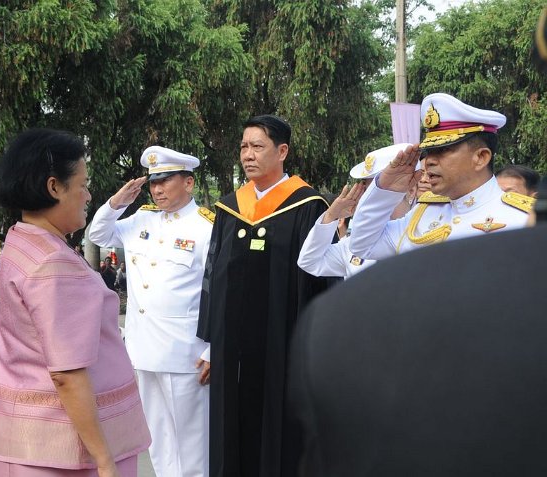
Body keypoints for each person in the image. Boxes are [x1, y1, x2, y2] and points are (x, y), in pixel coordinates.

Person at [289, 186, 547, 476]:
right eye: (364, 200)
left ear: (406, 196)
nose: (363, 206)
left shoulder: (423, 229)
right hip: (375, 361)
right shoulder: (363, 243)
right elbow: (310, 260)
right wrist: (337, 212)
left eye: (372, 198)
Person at [0, 128, 150, 477]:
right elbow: (68, 374)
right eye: (83, 185)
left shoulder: (21, 241)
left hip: (19, 443)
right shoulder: (54, 264)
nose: (88, 195)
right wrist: (104, 459)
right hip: (63, 454)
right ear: (54, 186)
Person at [196, 115, 336, 477]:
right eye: (244, 146)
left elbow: (322, 278)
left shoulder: (309, 206)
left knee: (280, 429)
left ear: (282, 151)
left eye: (257, 146)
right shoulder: (229, 208)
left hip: (284, 341)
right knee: (230, 426)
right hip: (232, 346)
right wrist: (212, 341)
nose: (248, 154)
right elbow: (213, 274)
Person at [89, 145, 213, 477]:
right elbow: (97, 234)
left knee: (192, 445)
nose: (157, 189)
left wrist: (215, 348)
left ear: (188, 183)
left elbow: (222, 291)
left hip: (185, 353)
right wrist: (116, 203)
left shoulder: (207, 227)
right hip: (143, 351)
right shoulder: (140, 219)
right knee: (157, 440)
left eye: (166, 181)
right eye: (153, 182)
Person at [349, 93, 534, 259]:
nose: (429, 161)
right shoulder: (423, 214)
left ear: (481, 157)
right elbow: (363, 245)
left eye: (443, 150)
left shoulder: (526, 219)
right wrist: (386, 190)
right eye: (429, 151)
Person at [298, 143, 424, 279]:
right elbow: (309, 261)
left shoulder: (424, 233)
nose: (368, 200)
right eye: (367, 191)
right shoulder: (352, 244)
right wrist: (331, 215)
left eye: (377, 192)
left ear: (411, 191)